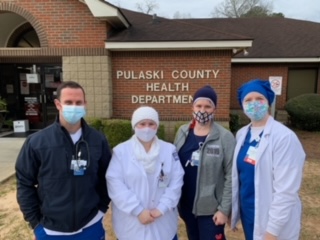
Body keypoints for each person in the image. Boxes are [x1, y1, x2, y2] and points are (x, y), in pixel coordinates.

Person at [15, 81, 111, 240]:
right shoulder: (37, 142)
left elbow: (107, 177)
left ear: (85, 104)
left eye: (78, 102)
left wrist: (101, 208)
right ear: (58, 104)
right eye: (69, 102)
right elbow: (25, 183)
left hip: (90, 226)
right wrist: (36, 223)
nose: (74, 106)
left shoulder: (97, 140)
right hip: (50, 230)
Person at [230, 79, 306, 240]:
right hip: (249, 213)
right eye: (248, 100)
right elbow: (240, 177)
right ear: (242, 105)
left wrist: (272, 232)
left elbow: (286, 191)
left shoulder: (284, 138)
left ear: (268, 101)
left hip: (273, 219)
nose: (254, 104)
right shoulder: (242, 134)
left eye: (259, 99)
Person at [106, 106, 184, 240]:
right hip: (131, 224)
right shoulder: (121, 151)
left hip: (162, 222)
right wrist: (138, 210)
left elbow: (176, 182)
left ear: (157, 126)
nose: (146, 128)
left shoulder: (169, 150)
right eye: (142, 124)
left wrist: (162, 208)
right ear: (134, 125)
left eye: (151, 124)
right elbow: (115, 184)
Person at [174, 85, 236, 240]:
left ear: (214, 109)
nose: (202, 110)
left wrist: (224, 209)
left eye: (208, 106)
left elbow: (231, 176)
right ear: (192, 108)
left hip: (211, 210)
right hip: (187, 206)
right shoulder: (182, 132)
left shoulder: (224, 137)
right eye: (199, 105)